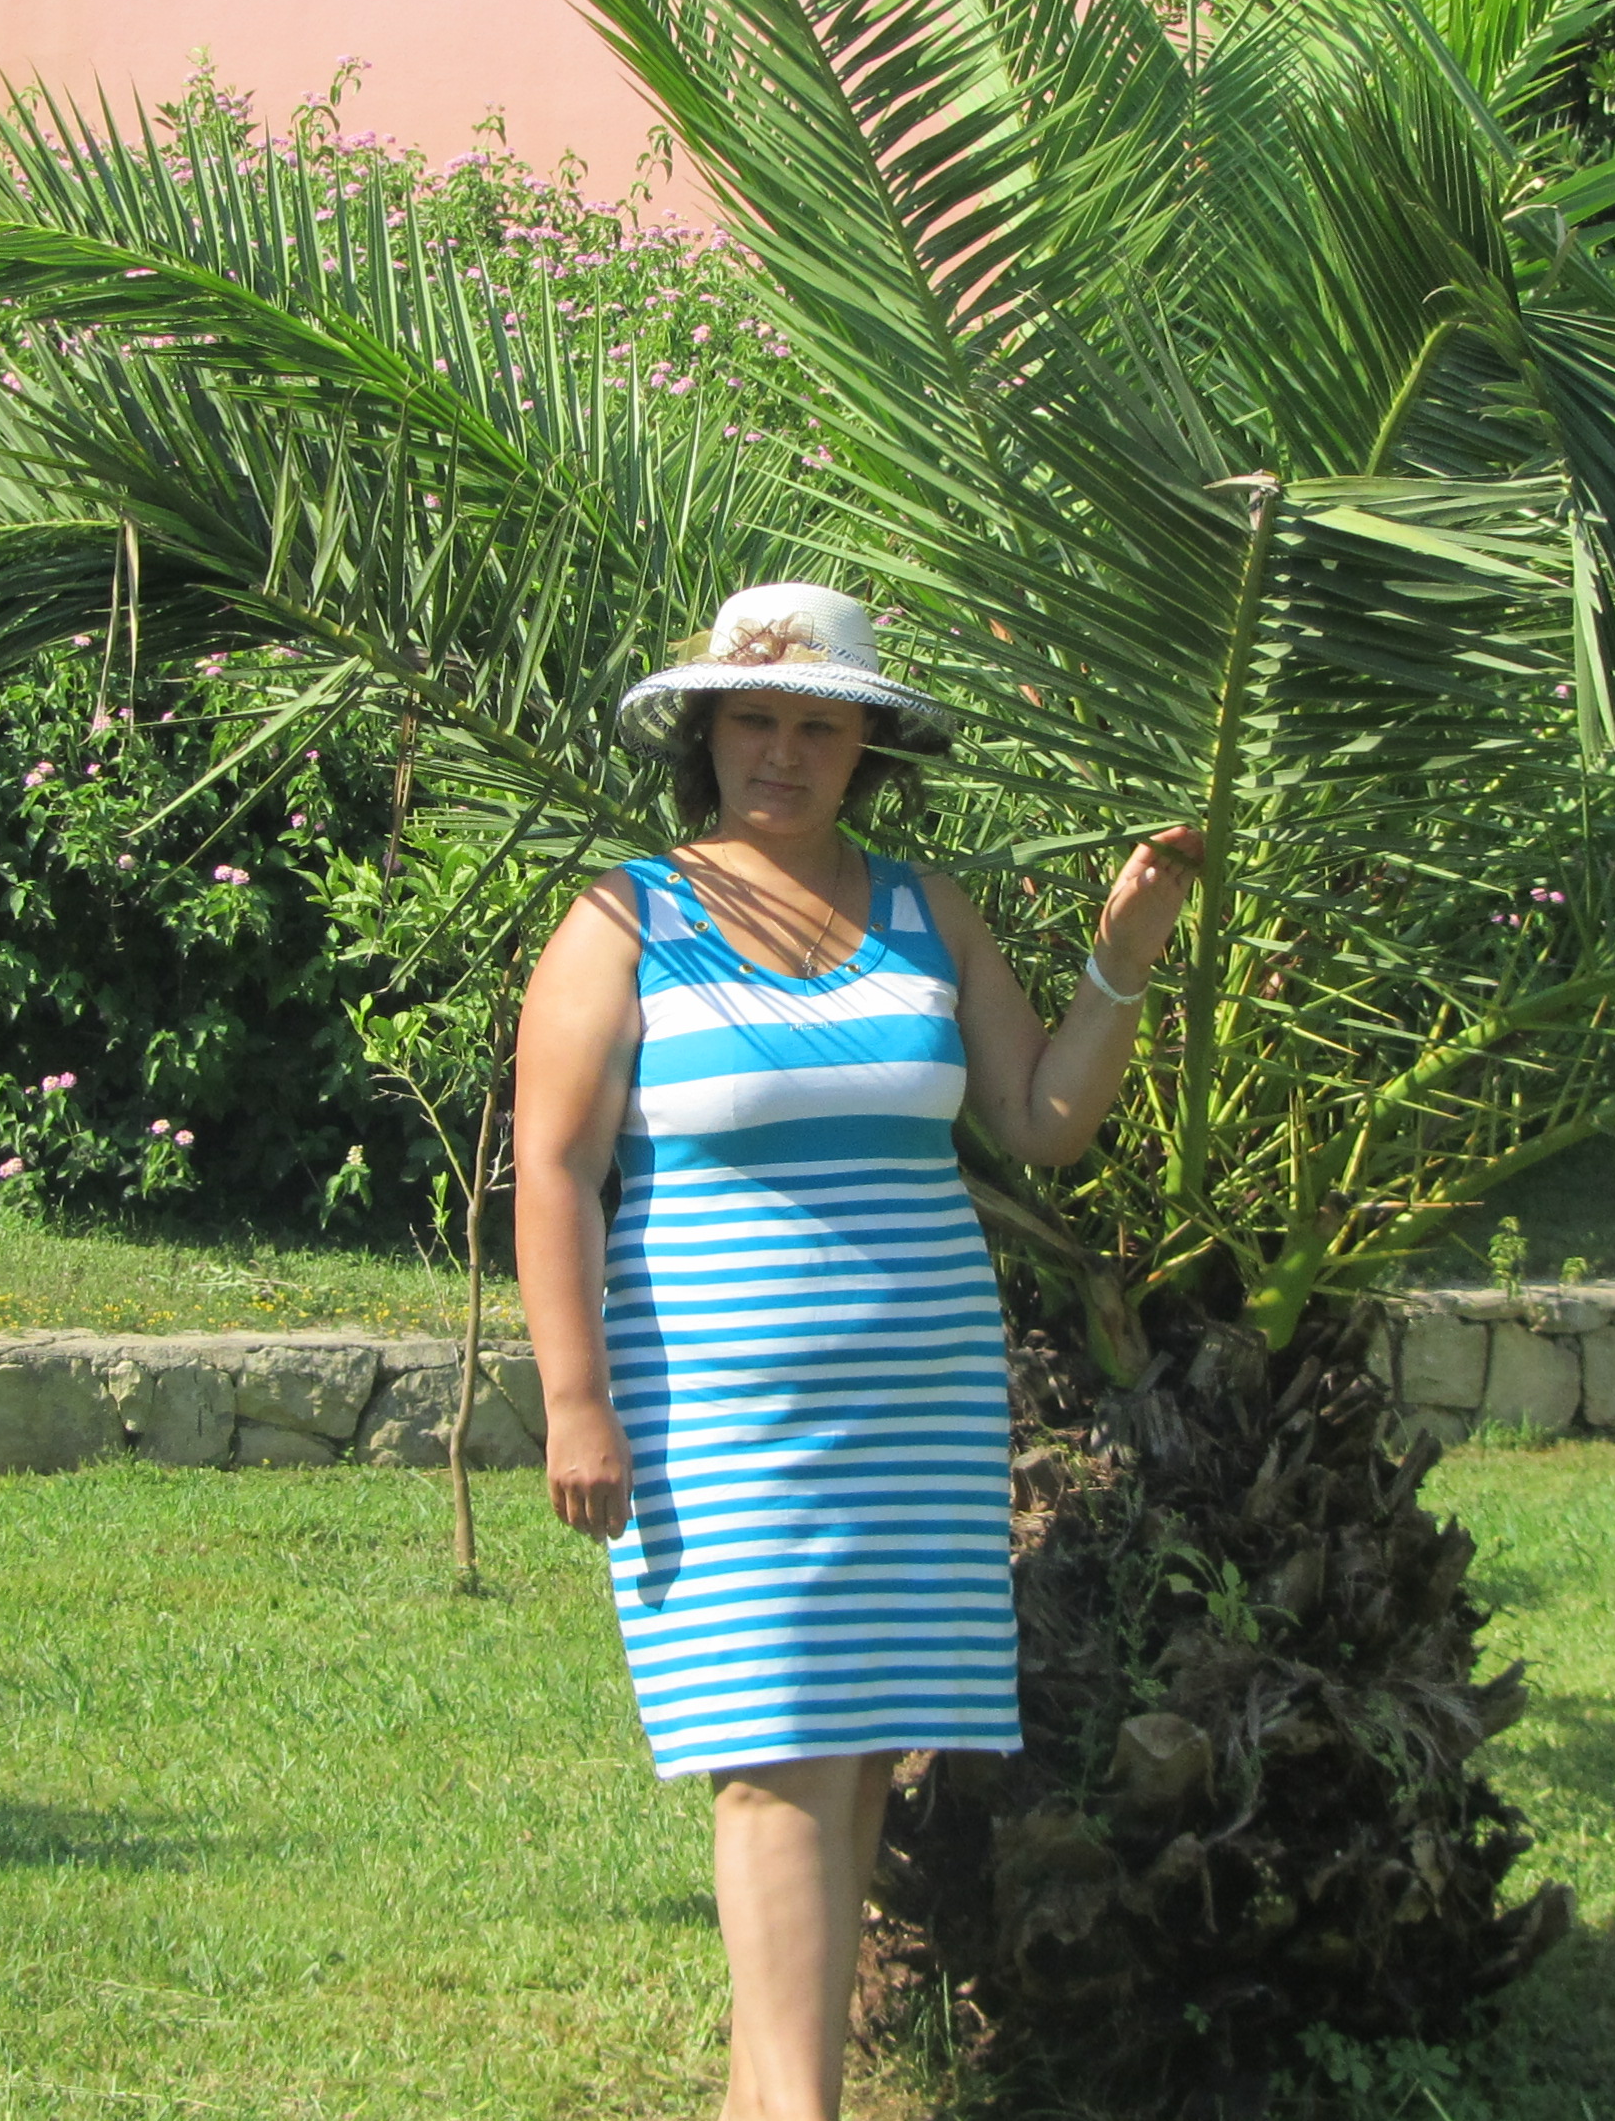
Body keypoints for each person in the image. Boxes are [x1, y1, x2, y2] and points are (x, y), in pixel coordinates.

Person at [513, 581, 1200, 2121]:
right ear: (705, 736)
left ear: (866, 750)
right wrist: (575, 1403)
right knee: (767, 1756)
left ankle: (771, 2103)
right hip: (715, 1416)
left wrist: (1125, 954)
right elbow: (552, 1167)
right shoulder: (628, 917)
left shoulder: (924, 913)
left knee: (853, 1756)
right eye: (754, 720)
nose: (782, 751)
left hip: (920, 1410)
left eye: (818, 727)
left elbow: (1042, 1121)